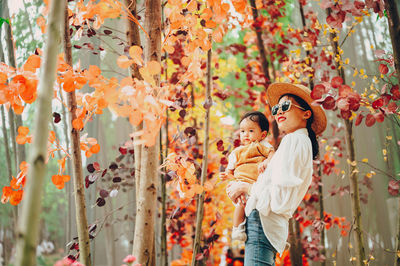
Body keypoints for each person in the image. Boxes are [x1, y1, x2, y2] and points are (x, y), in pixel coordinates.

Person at [226, 83, 327, 265]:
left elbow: (279, 198)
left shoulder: (294, 140)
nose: (279, 111)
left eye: (286, 106)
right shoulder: (296, 142)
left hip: (262, 223)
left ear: (306, 114)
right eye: (276, 108)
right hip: (265, 224)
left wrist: (245, 187)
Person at [221, 111, 274, 242]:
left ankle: (275, 237)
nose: (245, 134)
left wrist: (267, 161)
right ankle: (237, 228)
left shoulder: (262, 146)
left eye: (251, 130)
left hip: (257, 184)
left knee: (267, 208)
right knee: (242, 203)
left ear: (262, 134)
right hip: (242, 182)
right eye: (243, 131)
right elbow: (230, 170)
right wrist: (226, 175)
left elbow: (273, 154)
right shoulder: (237, 152)